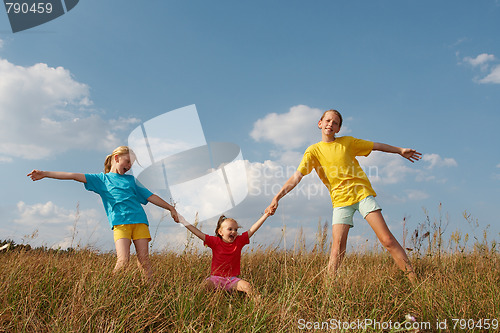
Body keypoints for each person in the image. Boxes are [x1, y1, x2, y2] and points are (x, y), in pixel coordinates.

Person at [265, 109, 420, 283]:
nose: (331, 124)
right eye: (328, 121)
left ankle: (415, 284)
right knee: (337, 248)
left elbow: (376, 146)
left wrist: (400, 150)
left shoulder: (348, 142)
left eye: (335, 123)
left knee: (387, 240)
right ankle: (329, 293)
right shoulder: (313, 151)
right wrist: (277, 197)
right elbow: (297, 177)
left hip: (361, 194)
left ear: (338, 129)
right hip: (340, 202)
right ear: (320, 123)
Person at [27, 146, 179, 280]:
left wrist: (170, 208)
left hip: (140, 223)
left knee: (144, 261)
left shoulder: (132, 180)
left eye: (131, 164)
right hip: (120, 225)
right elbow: (73, 175)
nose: (129, 166)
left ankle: (151, 291)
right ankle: (108, 290)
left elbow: (150, 196)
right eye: (127, 161)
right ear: (116, 158)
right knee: (123, 261)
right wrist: (45, 173)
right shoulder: (102, 179)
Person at [177, 212, 270, 297]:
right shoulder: (215, 242)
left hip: (232, 280)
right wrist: (183, 221)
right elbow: (198, 233)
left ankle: (258, 303)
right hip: (216, 279)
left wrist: (266, 214)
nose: (233, 232)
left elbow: (252, 230)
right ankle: (194, 301)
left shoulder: (239, 241)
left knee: (248, 286)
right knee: (202, 286)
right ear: (220, 232)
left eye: (235, 229)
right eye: (230, 229)